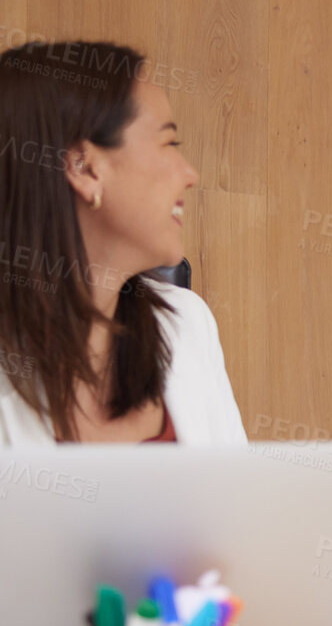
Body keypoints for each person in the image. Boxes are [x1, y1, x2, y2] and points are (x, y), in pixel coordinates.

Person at [0, 41, 245, 445]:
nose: (190, 174)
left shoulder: (187, 326)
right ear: (85, 167)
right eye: (168, 143)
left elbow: (240, 502)